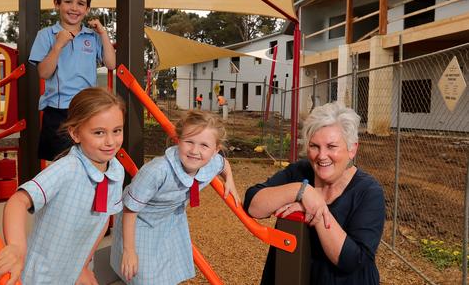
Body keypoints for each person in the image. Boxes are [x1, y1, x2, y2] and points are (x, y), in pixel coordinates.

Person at [0, 87, 125, 285]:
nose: (110, 141)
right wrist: (17, 247)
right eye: (99, 132)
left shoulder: (116, 171)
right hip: (43, 274)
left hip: (76, 266)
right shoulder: (68, 169)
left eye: (117, 131)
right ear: (76, 134)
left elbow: (103, 217)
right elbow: (18, 201)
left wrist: (84, 264)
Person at [244, 102, 385, 284]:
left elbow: (352, 260)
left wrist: (316, 210)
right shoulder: (299, 173)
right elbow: (253, 206)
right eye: (314, 146)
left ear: (352, 149)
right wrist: (301, 190)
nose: (321, 155)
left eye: (331, 146)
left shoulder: (368, 192)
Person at [110, 110, 240, 285]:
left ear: (216, 150)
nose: (195, 150)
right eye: (189, 142)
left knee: (167, 269)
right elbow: (130, 209)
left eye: (204, 145)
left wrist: (229, 179)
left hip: (170, 219)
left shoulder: (212, 162)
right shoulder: (157, 171)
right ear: (178, 140)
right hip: (140, 221)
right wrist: (128, 250)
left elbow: (224, 164)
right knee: (142, 274)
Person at [29, 0, 116, 162]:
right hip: (58, 110)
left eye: (80, 3)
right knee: (59, 162)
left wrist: (103, 34)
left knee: (87, 159)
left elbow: (111, 64)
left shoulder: (92, 37)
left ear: (87, 9)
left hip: (86, 109)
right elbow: (44, 73)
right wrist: (58, 45)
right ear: (57, 4)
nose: (74, 8)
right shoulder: (46, 35)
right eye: (68, 1)